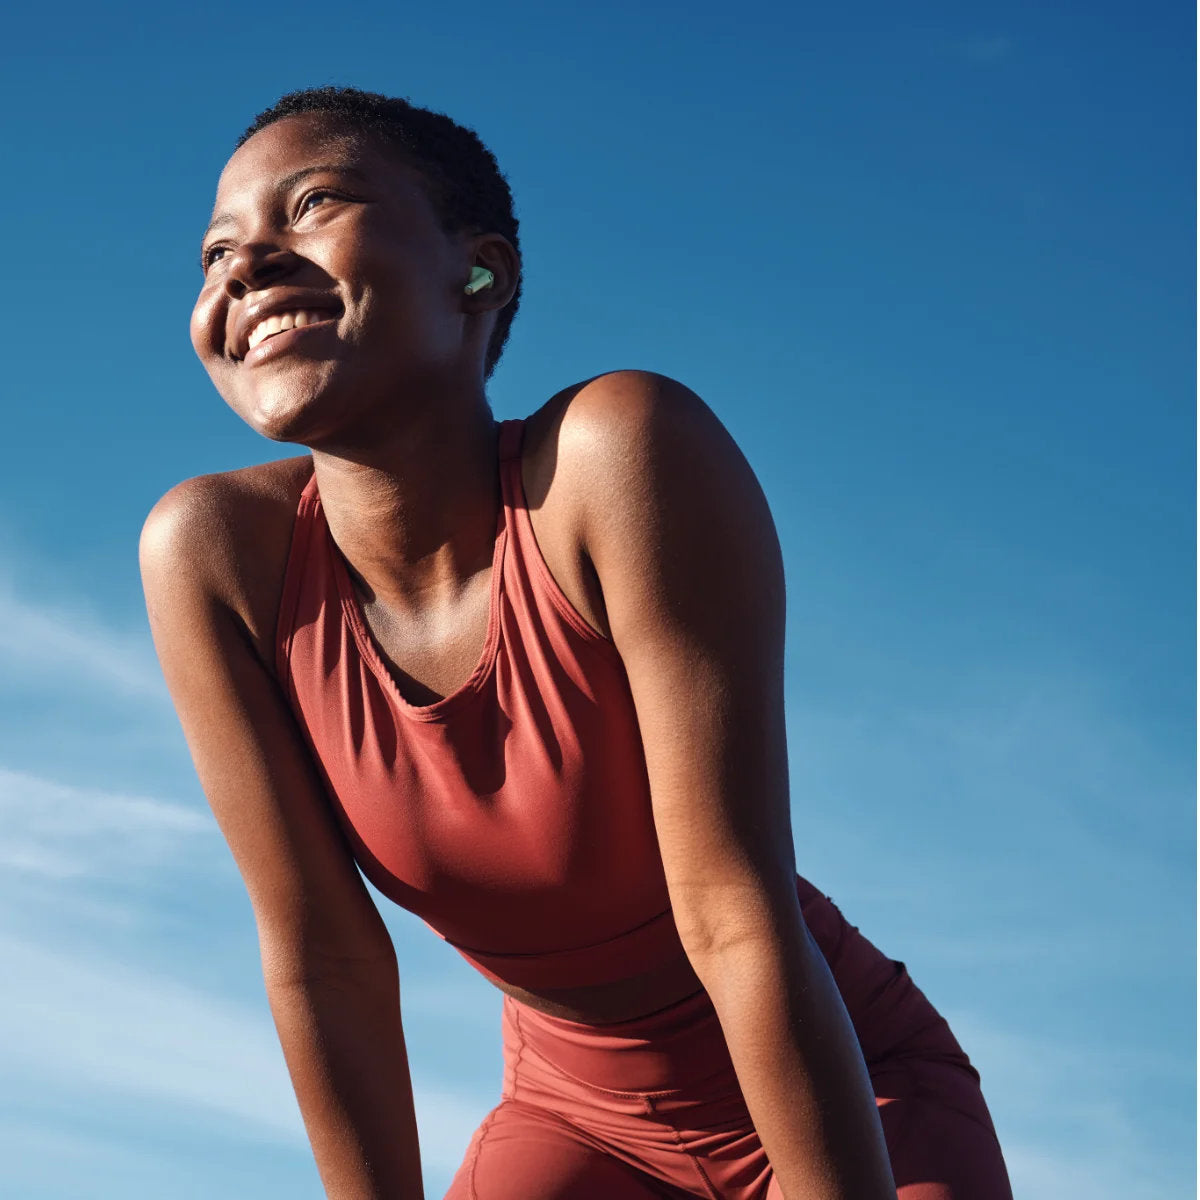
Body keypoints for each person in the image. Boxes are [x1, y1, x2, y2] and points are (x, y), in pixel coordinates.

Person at [139, 86, 1014, 1200]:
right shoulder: (212, 555)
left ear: (481, 273)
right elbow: (324, 957)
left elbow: (732, 912)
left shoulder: (615, 458)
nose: (244, 266)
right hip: (575, 1120)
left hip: (845, 1092)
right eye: (216, 250)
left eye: (311, 205)